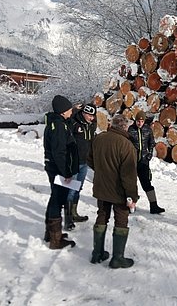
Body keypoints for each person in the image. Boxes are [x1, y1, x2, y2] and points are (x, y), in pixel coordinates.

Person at [87, 114, 139, 268]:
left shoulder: (99, 139)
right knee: (121, 220)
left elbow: (89, 159)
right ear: (125, 127)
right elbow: (129, 176)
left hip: (101, 187)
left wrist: (101, 170)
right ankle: (117, 258)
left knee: (102, 216)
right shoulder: (126, 146)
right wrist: (132, 197)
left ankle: (97, 253)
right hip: (118, 192)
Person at [43, 95, 79, 249]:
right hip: (58, 169)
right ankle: (55, 239)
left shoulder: (57, 123)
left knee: (54, 198)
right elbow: (59, 152)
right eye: (70, 109)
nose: (71, 111)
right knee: (57, 199)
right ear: (63, 111)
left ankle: (51, 233)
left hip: (54, 168)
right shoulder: (58, 126)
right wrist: (66, 172)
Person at [64, 103, 97, 231]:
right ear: (84, 113)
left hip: (84, 163)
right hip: (73, 162)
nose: (92, 118)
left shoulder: (91, 125)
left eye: (93, 116)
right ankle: (67, 220)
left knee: (78, 188)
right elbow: (64, 122)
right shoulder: (74, 123)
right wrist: (72, 109)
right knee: (70, 190)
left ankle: (74, 213)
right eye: (90, 115)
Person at [128, 111, 165, 214]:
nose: (140, 123)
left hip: (144, 161)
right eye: (138, 121)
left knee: (147, 183)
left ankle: (154, 205)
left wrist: (150, 154)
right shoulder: (130, 130)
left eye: (142, 121)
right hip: (132, 161)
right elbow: (126, 144)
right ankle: (130, 205)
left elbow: (152, 143)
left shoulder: (147, 130)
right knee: (130, 184)